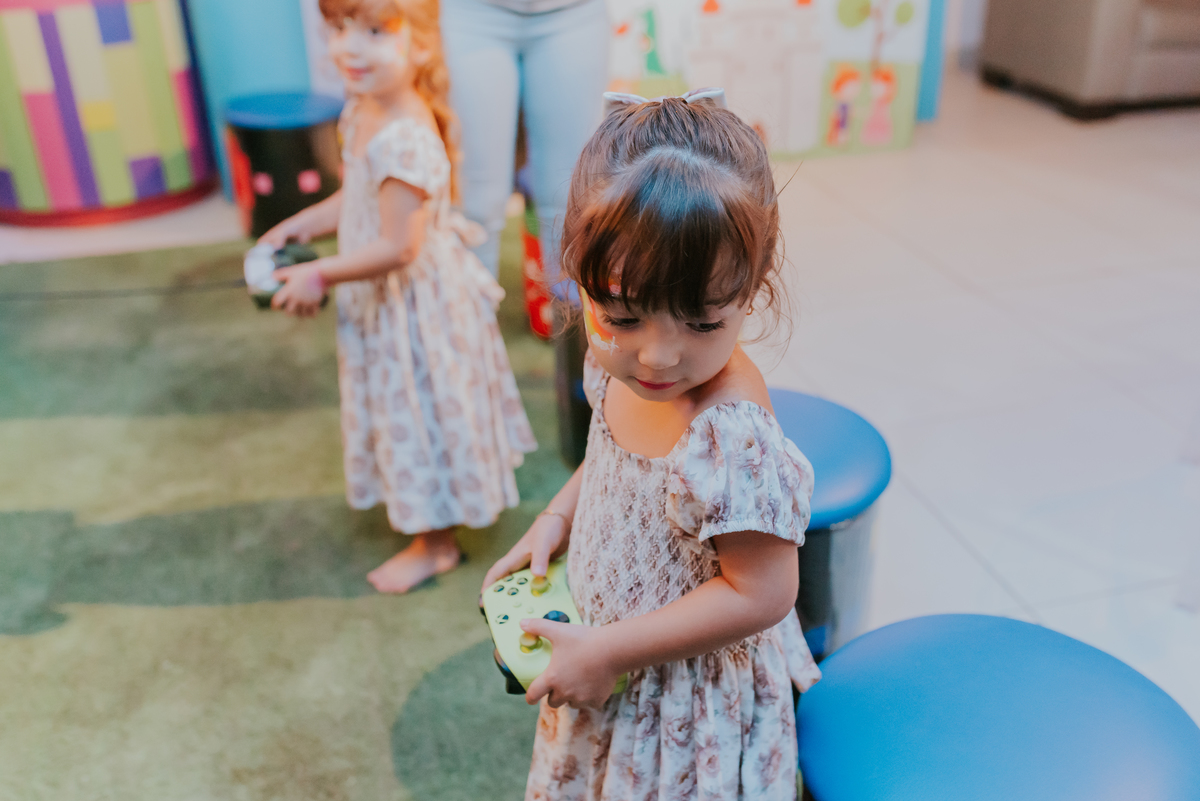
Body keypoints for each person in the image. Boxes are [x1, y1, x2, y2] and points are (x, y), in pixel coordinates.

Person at [482, 90, 822, 800]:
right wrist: (558, 517)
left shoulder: (729, 434)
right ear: (580, 279)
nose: (658, 356)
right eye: (625, 313)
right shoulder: (609, 356)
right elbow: (610, 458)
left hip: (683, 698)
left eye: (701, 322)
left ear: (750, 291)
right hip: (609, 654)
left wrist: (609, 649)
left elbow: (762, 590)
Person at [260, 0, 537, 594]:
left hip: (414, 307)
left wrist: (320, 275)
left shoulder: (407, 135)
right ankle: (426, 527)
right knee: (399, 411)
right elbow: (361, 195)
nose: (349, 48)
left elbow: (398, 246)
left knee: (418, 412)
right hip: (383, 299)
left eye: (374, 32)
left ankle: (435, 546)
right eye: (338, 29)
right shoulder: (363, 109)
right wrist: (302, 225)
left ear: (420, 45)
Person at [439, 0, 609, 288]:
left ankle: (572, 326)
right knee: (473, 202)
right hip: (471, 12)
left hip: (574, 12)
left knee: (572, 197)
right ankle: (470, 327)